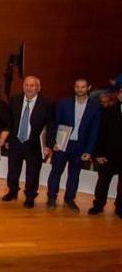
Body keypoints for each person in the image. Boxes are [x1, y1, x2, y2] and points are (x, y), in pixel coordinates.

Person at [46, 78, 102, 211]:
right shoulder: (63, 103)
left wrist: (89, 150)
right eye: (77, 87)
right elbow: (55, 124)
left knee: (74, 174)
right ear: (74, 88)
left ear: (89, 88)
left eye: (83, 87)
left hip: (80, 146)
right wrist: (54, 142)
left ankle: (69, 199)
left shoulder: (96, 107)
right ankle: (52, 197)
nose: (80, 89)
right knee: (55, 172)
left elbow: (95, 130)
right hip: (62, 144)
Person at [3, 76, 55, 208]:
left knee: (32, 172)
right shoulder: (15, 99)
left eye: (32, 85)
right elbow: (9, 121)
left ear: (39, 87)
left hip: (34, 144)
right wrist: (8, 139)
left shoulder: (47, 103)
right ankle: (12, 191)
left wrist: (48, 145)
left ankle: (30, 196)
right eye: (26, 85)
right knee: (13, 170)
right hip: (16, 141)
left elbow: (51, 125)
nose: (29, 87)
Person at [89, 85, 122, 217]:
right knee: (103, 182)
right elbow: (100, 133)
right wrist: (98, 153)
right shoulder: (108, 111)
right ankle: (98, 205)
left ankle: (120, 208)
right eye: (121, 92)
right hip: (107, 154)